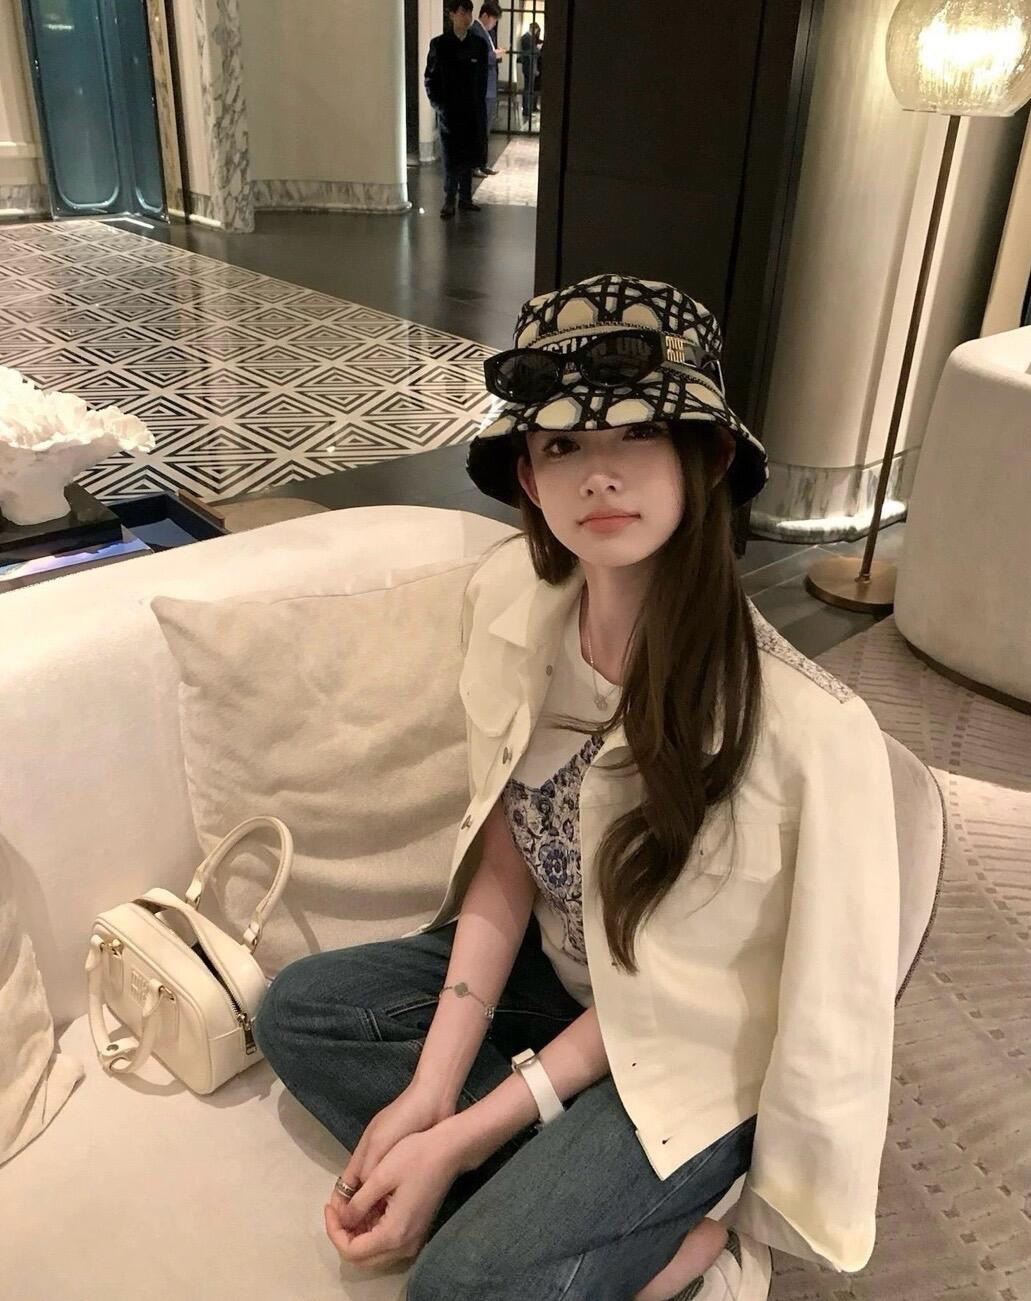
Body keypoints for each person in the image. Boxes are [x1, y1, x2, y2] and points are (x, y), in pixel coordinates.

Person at [253, 274, 901, 1301]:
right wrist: (430, 1093)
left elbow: (765, 1004)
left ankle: (694, 1235)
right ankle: (593, 1225)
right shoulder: (510, 603)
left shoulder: (805, 730)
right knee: (297, 1011)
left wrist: (461, 1137)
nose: (597, 474)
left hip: (683, 1046)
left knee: (453, 1286)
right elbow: (506, 864)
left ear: (707, 458)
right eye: (560, 445)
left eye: (636, 434)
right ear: (526, 471)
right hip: (558, 981)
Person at [424, 0, 487, 220]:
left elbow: (482, 79)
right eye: (462, 12)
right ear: (451, 15)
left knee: (469, 153)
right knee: (451, 156)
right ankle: (449, 198)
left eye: (469, 12)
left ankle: (466, 197)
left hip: (471, 110)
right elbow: (430, 78)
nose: (467, 17)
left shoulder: (478, 45)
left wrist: (479, 106)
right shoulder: (440, 45)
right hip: (449, 111)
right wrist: (439, 105)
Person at [470, 1, 507, 177]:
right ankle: (475, 165)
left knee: (485, 129)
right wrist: (495, 55)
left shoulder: (486, 32)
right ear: (485, 16)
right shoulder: (475, 31)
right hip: (482, 88)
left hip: (488, 86)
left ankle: (482, 163)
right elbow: (478, 57)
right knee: (478, 129)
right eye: (493, 19)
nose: (494, 23)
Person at [518, 20, 542, 121]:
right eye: (536, 30)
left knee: (529, 88)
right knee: (528, 88)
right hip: (529, 66)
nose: (536, 33)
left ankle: (528, 109)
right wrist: (538, 48)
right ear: (534, 29)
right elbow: (532, 52)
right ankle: (526, 109)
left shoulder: (528, 37)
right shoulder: (526, 37)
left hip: (530, 66)